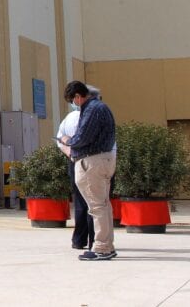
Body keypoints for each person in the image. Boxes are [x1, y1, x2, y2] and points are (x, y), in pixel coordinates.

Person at [60, 81, 117, 261]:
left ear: (78, 96)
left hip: (92, 161)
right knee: (104, 204)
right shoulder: (102, 107)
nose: (75, 104)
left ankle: (101, 248)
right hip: (105, 159)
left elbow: (83, 137)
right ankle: (107, 245)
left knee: (96, 206)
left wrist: (68, 140)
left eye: (73, 100)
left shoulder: (92, 109)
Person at [57, 94, 92, 250]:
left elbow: (60, 139)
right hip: (91, 161)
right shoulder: (90, 116)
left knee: (80, 201)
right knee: (95, 202)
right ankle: (95, 240)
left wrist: (69, 152)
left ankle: (79, 239)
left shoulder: (69, 117)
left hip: (74, 161)